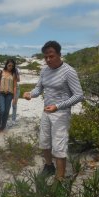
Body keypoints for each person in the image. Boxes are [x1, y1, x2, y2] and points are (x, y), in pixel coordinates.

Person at [23, 41, 84, 179]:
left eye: (51, 56)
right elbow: (39, 88)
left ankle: (60, 177)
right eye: (46, 57)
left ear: (59, 55)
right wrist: (30, 94)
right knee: (44, 141)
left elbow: (79, 95)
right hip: (46, 111)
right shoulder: (44, 70)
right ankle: (49, 166)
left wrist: (58, 106)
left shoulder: (69, 71)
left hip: (61, 113)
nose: (48, 59)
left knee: (59, 145)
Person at [0, 59, 17, 134]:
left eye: (12, 66)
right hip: (1, 93)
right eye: (9, 65)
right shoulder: (1, 72)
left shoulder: (13, 74)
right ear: (6, 65)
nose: (10, 67)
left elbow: (15, 87)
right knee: (2, 110)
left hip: (9, 94)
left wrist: (15, 98)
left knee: (6, 112)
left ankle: (2, 127)